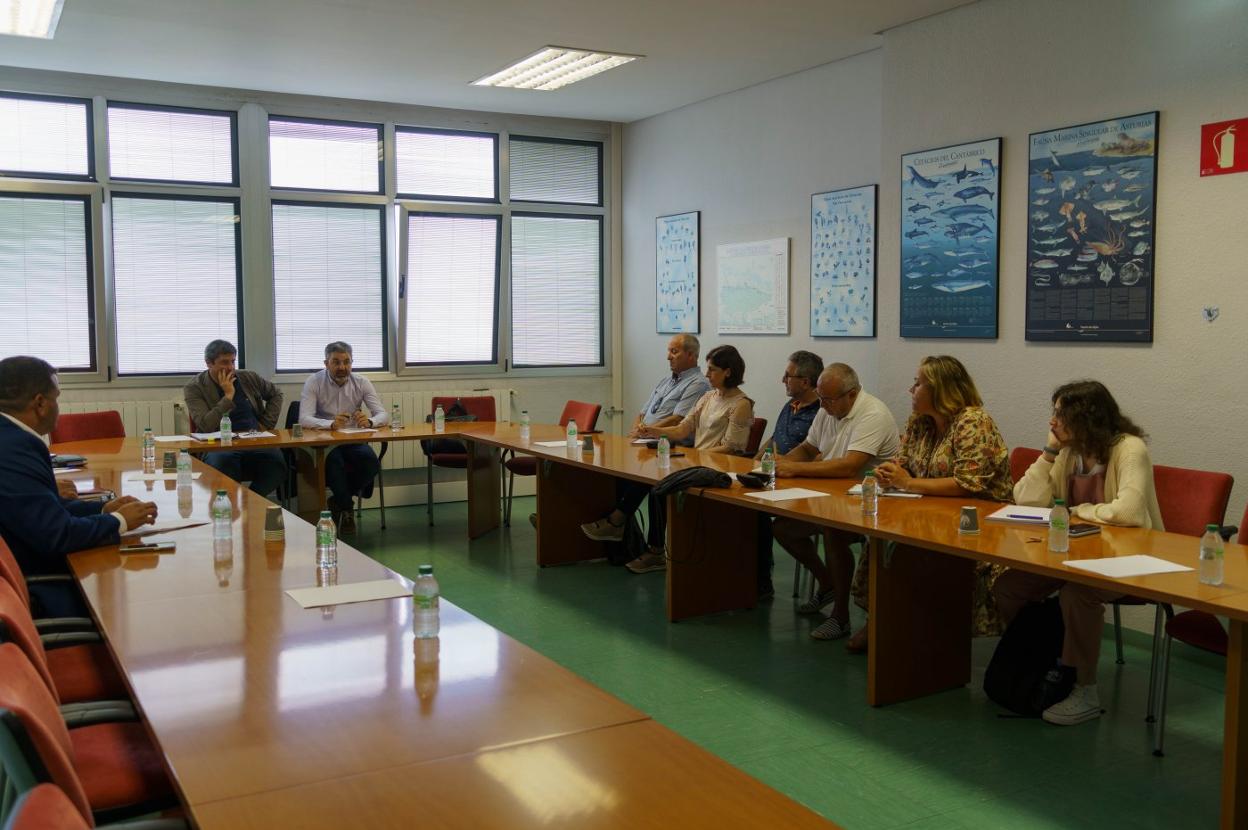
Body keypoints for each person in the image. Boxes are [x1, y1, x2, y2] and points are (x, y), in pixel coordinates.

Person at [993, 380, 1162, 726]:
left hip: (1129, 559)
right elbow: (1025, 498)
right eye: (1053, 412)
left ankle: (1084, 688)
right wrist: (1048, 453)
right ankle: (1043, 660)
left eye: (1060, 414)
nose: (1052, 421)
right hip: (1069, 554)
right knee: (1008, 587)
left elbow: (1128, 513)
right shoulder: (1068, 452)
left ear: (1087, 418)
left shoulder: (1129, 449)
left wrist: (1078, 511)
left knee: (1077, 594)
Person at [846, 355, 1012, 653]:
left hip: (977, 522)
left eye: (918, 383)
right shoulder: (919, 423)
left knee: (919, 554)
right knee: (881, 542)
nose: (911, 390)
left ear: (941, 389)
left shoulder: (973, 422)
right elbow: (904, 462)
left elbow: (967, 483)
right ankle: (885, 620)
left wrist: (906, 483)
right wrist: (891, 472)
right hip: (928, 512)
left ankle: (922, 633)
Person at [0, 356, 157, 615]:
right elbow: (58, 535)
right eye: (57, 398)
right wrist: (119, 521)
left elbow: (41, 510)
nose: (58, 407)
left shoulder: (10, 437)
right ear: (40, 403)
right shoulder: (15, 447)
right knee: (138, 599)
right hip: (41, 590)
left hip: (28, 572)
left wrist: (103, 509)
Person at [582, 345, 754, 574]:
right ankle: (633, 535)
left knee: (659, 488)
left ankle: (650, 548)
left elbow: (733, 449)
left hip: (718, 469)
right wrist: (653, 431)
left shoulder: (741, 404)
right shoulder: (708, 397)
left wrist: (697, 456)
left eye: (712, 370)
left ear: (728, 372)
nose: (707, 374)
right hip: (698, 463)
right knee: (649, 474)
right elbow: (683, 429)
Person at [771, 364, 899, 639]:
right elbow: (809, 448)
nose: (823, 405)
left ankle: (840, 616)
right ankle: (827, 582)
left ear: (851, 395)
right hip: (830, 495)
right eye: (821, 398)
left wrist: (796, 469)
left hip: (870, 502)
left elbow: (849, 467)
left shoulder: (872, 413)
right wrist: (781, 463)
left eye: (828, 399)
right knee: (783, 528)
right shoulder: (827, 407)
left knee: (833, 531)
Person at [752, 350, 824, 600]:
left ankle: (760, 581)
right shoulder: (789, 406)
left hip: (798, 482)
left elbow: (817, 456)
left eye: (788, 376)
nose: (783, 380)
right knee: (740, 505)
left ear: (805, 381)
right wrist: (753, 462)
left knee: (757, 513)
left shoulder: (821, 413)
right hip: (774, 476)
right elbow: (773, 439)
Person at [299, 341, 388, 532]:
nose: (342, 367)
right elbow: (304, 418)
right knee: (335, 464)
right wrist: (329, 424)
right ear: (326, 363)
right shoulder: (314, 381)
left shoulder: (362, 382)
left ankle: (338, 500)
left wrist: (370, 421)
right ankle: (347, 509)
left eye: (347, 362)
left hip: (352, 438)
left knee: (371, 463)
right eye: (336, 362)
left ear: (352, 362)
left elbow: (383, 414)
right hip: (325, 441)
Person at [184, 340, 287, 498]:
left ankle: (250, 500)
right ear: (209, 363)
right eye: (224, 362)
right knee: (223, 462)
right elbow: (205, 425)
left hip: (253, 440)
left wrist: (266, 424)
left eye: (233, 361)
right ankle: (230, 506)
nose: (231, 367)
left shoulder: (248, 378)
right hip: (219, 445)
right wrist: (228, 396)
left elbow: (276, 394)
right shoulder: (194, 387)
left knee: (277, 463)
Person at [628, 334, 712, 445]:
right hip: (645, 439)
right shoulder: (665, 381)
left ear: (690, 355)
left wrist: (643, 432)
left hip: (670, 446)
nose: (668, 357)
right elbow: (642, 414)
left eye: (674, 352)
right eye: (669, 351)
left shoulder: (698, 383)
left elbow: (677, 420)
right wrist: (635, 433)